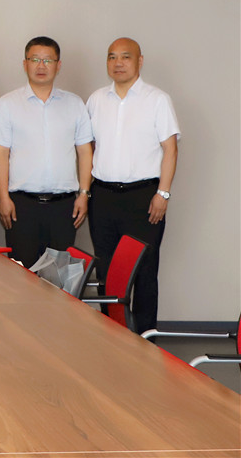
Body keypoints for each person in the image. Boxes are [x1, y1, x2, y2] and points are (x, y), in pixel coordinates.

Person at [86, 37, 179, 333]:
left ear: (140, 61)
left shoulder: (157, 99)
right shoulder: (96, 100)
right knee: (107, 272)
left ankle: (145, 340)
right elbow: (87, 148)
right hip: (103, 196)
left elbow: (170, 149)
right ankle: (113, 338)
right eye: (112, 57)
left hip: (144, 198)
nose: (118, 63)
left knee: (145, 272)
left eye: (125, 57)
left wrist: (163, 193)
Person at [0, 36, 93, 268]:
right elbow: (1, 154)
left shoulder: (75, 104)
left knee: (59, 277)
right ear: (25, 64)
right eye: (35, 59)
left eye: (48, 60)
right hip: (21, 206)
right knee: (21, 275)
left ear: (58, 65)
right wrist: (4, 198)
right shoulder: (8, 104)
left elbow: (85, 152)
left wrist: (84, 194)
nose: (41, 65)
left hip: (64, 206)